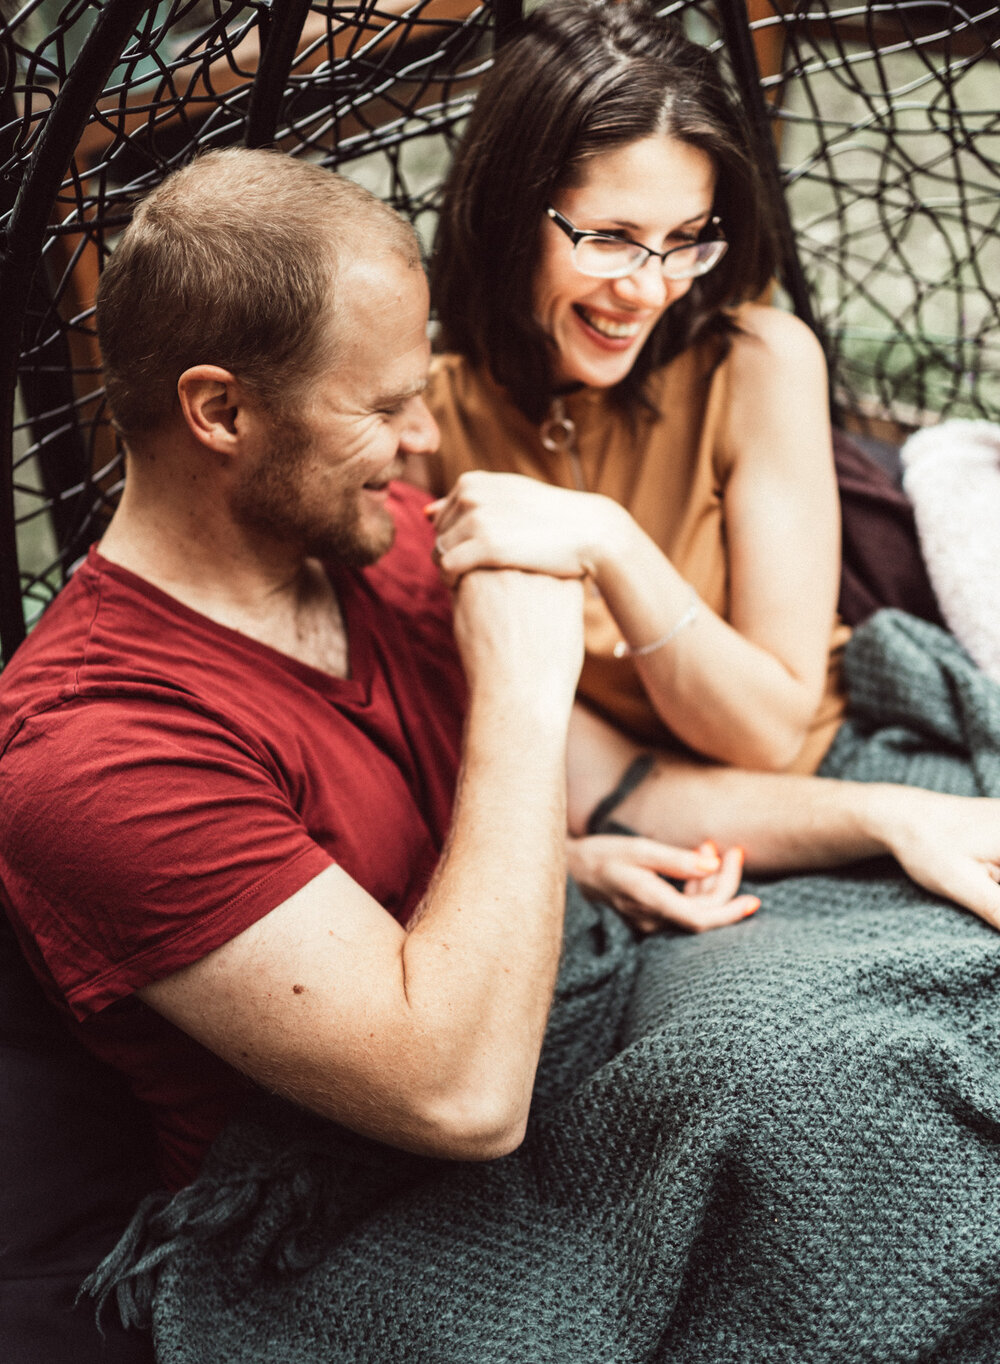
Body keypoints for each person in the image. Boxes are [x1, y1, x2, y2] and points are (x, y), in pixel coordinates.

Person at [4, 148, 1000, 1364]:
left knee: (930, 979)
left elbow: (622, 788)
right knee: (820, 1081)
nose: (425, 439)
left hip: (574, 1004)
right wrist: (525, 682)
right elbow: (456, 1096)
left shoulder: (388, 543)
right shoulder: (91, 747)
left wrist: (884, 816)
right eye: (379, 407)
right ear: (220, 411)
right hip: (358, 1202)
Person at [411, 0, 861, 929]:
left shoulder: (759, 363)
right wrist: (572, 856)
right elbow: (492, 741)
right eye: (609, 237)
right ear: (507, 213)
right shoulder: (425, 424)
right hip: (624, 834)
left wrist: (609, 539)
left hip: (822, 780)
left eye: (685, 240)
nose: (648, 287)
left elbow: (771, 733)